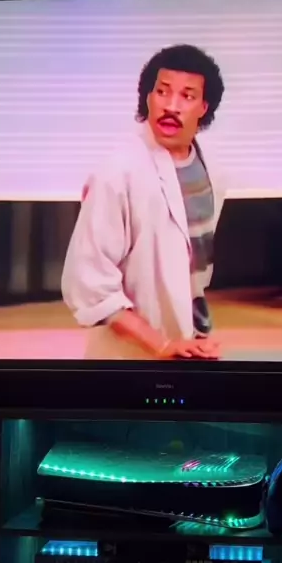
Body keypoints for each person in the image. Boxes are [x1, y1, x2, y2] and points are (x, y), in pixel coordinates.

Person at [62, 44, 226, 359]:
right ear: (148, 97)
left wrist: (194, 337)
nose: (171, 106)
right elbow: (89, 280)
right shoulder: (117, 172)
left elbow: (193, 270)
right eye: (162, 92)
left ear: (204, 107)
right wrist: (161, 345)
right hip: (126, 356)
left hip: (189, 348)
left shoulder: (212, 170)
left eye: (187, 96)